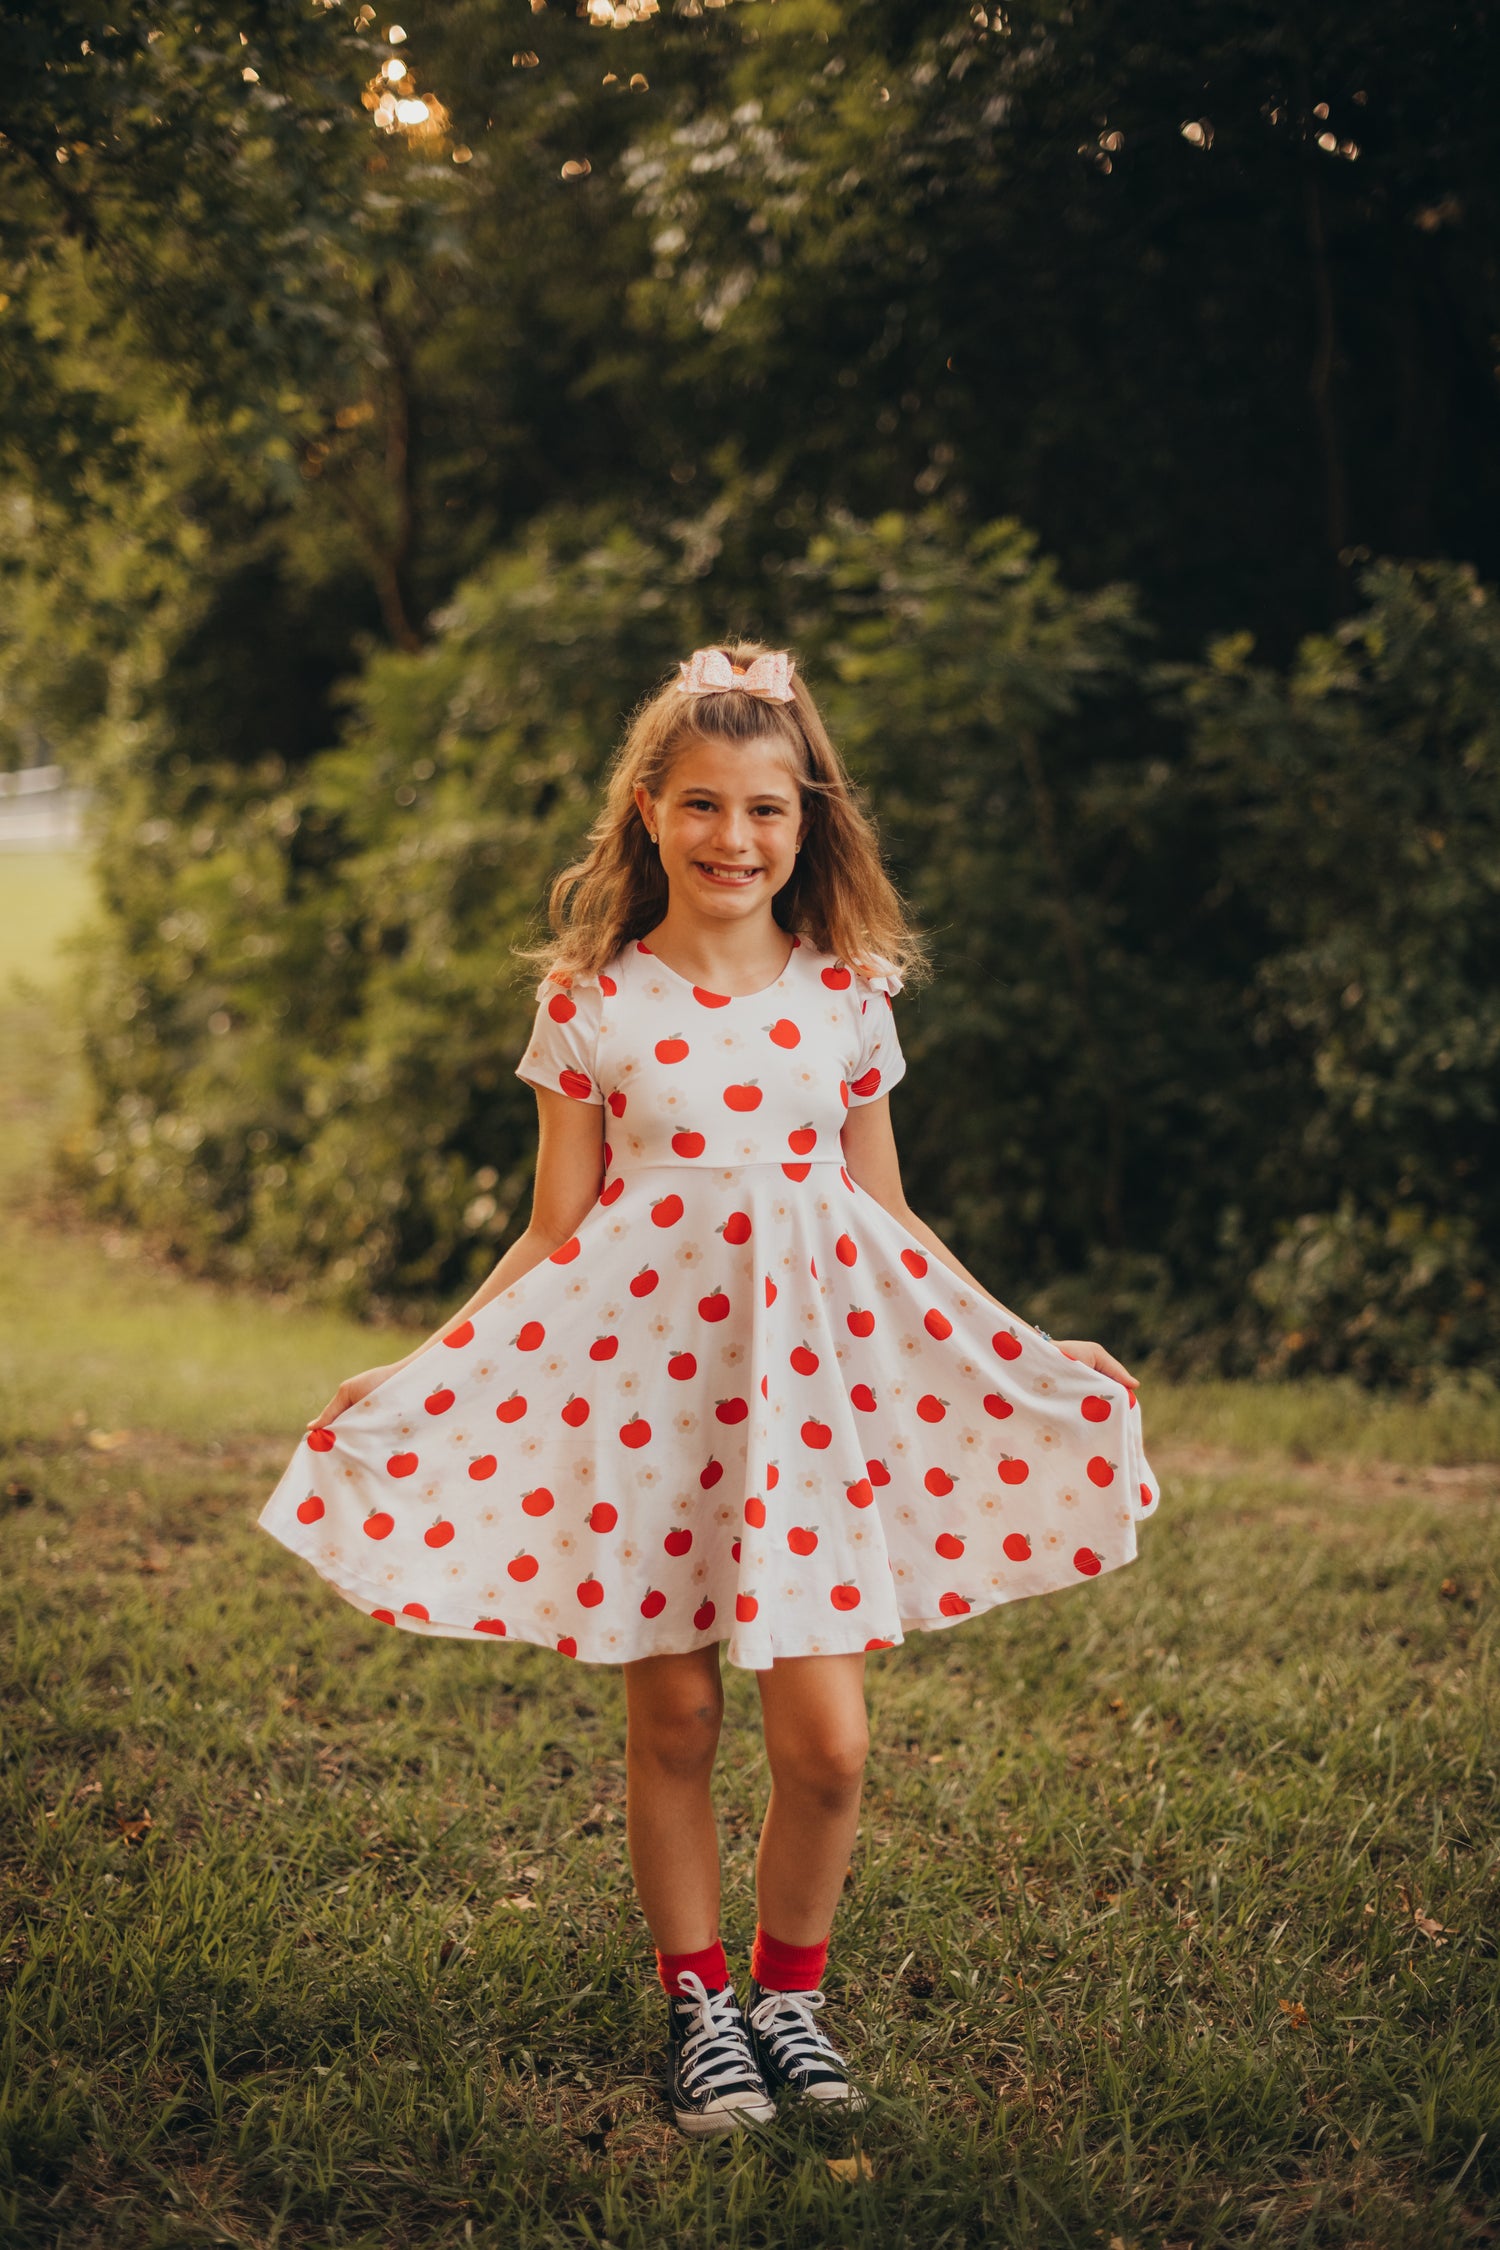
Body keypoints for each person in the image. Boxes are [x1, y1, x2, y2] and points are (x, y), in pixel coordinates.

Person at [257, 641, 1159, 2136]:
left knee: (828, 1739)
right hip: (643, 1395)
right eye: (703, 806)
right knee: (672, 1719)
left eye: (767, 809)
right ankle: (701, 2006)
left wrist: (1032, 1344)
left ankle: (789, 1993)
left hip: (806, 1402)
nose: (735, 838)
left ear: (811, 822)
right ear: (647, 812)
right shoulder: (591, 1001)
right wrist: (424, 1367)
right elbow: (554, 1228)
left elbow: (890, 1216)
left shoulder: (851, 997)